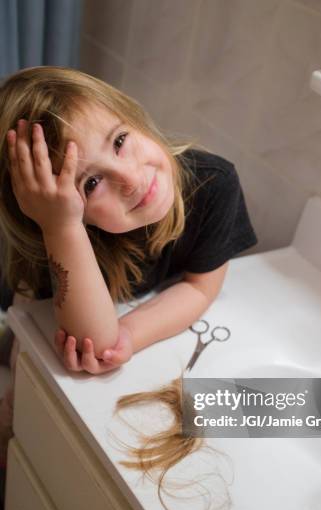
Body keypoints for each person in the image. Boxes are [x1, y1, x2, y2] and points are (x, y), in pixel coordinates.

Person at [0, 66, 258, 471]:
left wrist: (132, 335)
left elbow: (201, 287)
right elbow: (94, 342)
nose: (130, 178)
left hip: (127, 297)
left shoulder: (214, 183)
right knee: (22, 402)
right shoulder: (56, 230)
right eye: (90, 183)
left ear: (135, 118)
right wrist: (61, 226)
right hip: (35, 304)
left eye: (120, 140)